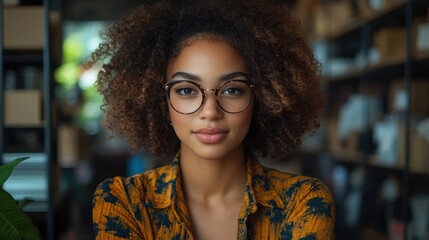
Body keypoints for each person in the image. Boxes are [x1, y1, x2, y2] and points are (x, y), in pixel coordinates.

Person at [90, 0, 335, 239]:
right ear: (161, 101)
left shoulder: (303, 202)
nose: (210, 111)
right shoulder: (122, 202)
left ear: (261, 97)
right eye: (186, 90)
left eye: (232, 90)